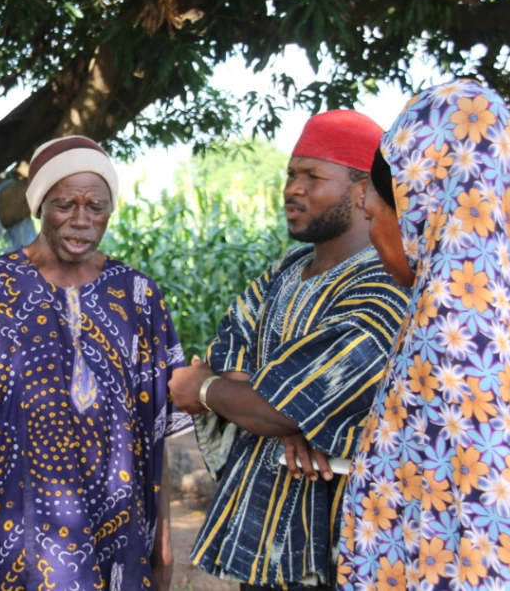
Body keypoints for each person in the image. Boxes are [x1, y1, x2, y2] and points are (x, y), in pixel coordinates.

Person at [337, 80, 510, 589]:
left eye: (372, 214)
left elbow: (488, 534)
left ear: (417, 210)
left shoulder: (450, 342)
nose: (372, 233)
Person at [0, 135, 192, 591]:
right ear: (39, 204)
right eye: (66, 204)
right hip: (17, 541)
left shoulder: (138, 295)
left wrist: (161, 540)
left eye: (97, 207)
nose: (82, 221)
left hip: (119, 541)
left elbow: (157, 429)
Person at [168, 110, 409, 590]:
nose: (292, 188)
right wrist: (283, 413)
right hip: (268, 541)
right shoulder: (288, 269)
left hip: (341, 546)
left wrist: (211, 389)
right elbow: (230, 346)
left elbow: (266, 401)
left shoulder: (383, 288)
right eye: (291, 174)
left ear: (363, 190)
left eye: (312, 176)